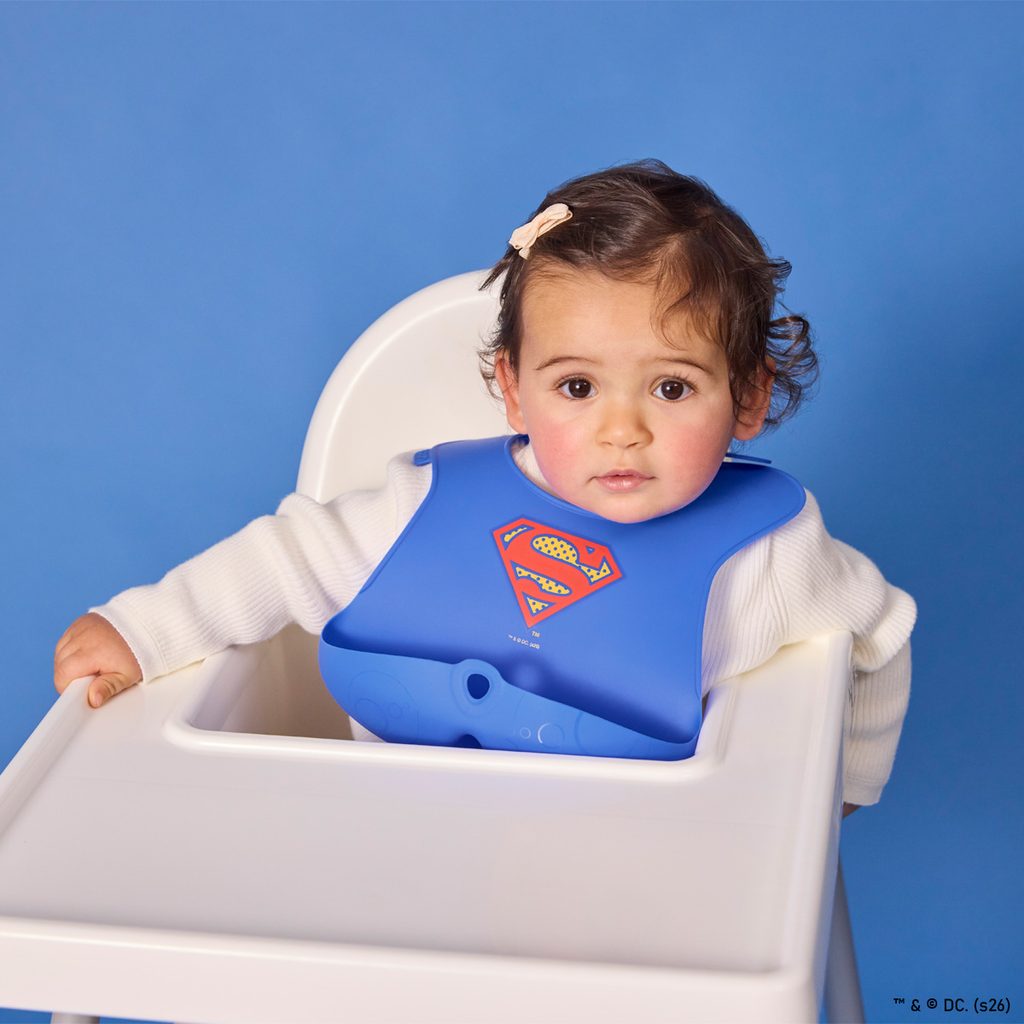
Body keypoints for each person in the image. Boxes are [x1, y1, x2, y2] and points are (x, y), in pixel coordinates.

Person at [52, 159, 916, 813]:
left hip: (626, 880)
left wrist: (843, 787)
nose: (622, 429)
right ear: (513, 389)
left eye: (671, 387)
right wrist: (145, 631)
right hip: (390, 844)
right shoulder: (423, 506)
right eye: (577, 387)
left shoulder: (768, 556)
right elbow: (283, 559)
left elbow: (878, 632)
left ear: (750, 396)